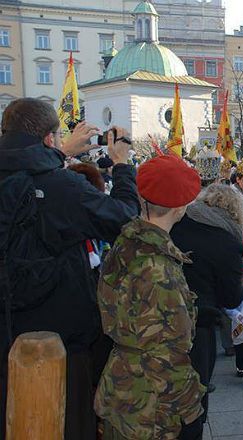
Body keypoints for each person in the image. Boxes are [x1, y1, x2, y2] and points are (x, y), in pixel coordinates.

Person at [0, 98, 138, 440]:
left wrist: (60, 153)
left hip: (8, 328)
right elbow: (124, 219)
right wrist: (121, 165)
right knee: (67, 421)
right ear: (49, 138)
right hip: (58, 336)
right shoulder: (62, 187)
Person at [96, 154, 205, 440]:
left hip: (121, 389)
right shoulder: (159, 268)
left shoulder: (127, 240)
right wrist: (190, 409)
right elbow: (172, 351)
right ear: (181, 206)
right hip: (150, 407)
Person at [169, 183, 243, 423]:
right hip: (198, 326)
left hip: (163, 316)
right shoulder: (228, 243)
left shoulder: (175, 225)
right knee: (193, 402)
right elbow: (231, 298)